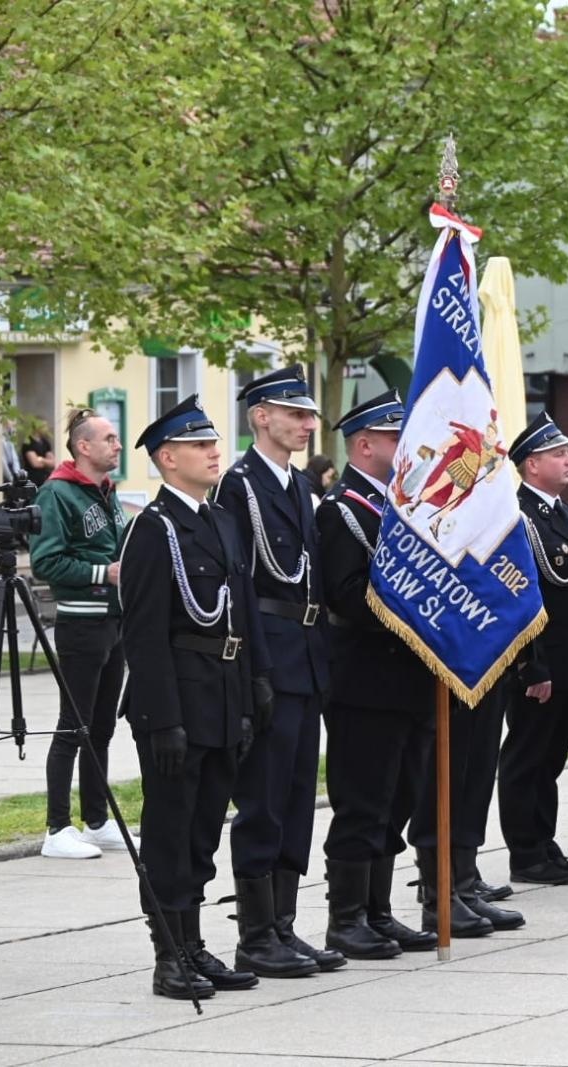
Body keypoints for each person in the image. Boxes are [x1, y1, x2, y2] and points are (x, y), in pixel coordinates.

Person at [120, 394, 266, 999]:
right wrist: (161, 720)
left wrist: (253, 691)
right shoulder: (154, 530)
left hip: (224, 696)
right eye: (199, 445)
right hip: (179, 701)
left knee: (204, 832)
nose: (213, 452)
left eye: (213, 443)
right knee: (170, 833)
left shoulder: (220, 520)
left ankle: (194, 944)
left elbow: (241, 611)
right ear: (167, 458)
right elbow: (144, 633)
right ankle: (169, 955)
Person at [217, 365, 341, 978]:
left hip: (306, 654)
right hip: (271, 653)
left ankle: (284, 925)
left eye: (309, 415)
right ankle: (255, 934)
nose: (307, 425)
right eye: (294, 414)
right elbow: (239, 584)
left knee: (295, 800)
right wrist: (255, 670)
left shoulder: (297, 485)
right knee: (262, 801)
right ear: (260, 417)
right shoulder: (239, 487)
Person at [316, 391, 438, 959]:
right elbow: (344, 594)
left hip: (410, 678)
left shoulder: (403, 504)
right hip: (365, 681)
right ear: (364, 446)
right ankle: (346, 919)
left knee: (398, 801)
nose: (406, 447)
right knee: (363, 802)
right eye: (395, 438)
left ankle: (378, 911)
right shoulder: (342, 509)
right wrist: (415, 608)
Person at [497, 413, 568, 885]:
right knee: (527, 755)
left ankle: (545, 842)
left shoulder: (561, 512)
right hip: (538, 663)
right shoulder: (517, 516)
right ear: (532, 464)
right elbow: (517, 597)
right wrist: (530, 664)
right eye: (558, 454)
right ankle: (525, 852)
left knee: (552, 758)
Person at [33, 408, 134, 860]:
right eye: (109, 438)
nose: (118, 444)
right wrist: (103, 573)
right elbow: (46, 561)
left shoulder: (108, 491)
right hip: (80, 624)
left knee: (102, 728)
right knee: (72, 726)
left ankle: (96, 820)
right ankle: (56, 828)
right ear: (83, 446)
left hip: (114, 623)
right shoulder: (56, 493)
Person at [20, 421, 56, 487]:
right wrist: (46, 462)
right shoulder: (28, 442)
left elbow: (53, 463)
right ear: (37, 427)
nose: (46, 429)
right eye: (44, 426)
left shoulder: (45, 442)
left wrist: (41, 459)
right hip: (32, 480)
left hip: (45, 479)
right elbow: (35, 464)